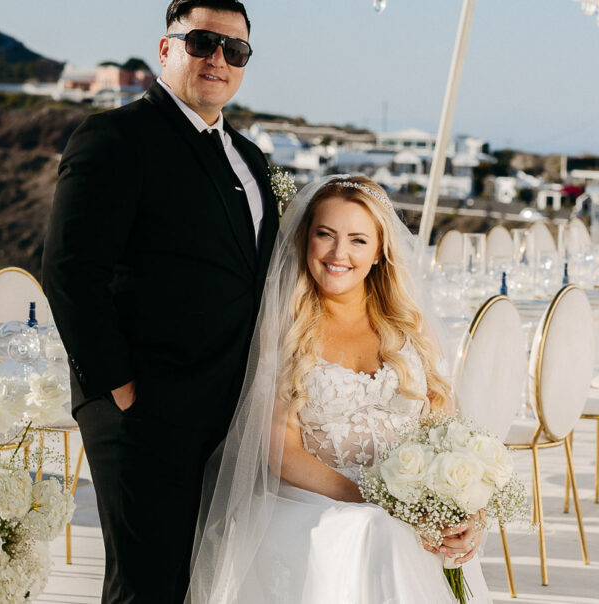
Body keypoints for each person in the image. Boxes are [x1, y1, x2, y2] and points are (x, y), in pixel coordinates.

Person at [41, 1, 278, 602]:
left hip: (230, 407)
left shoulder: (250, 159)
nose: (218, 59)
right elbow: (71, 273)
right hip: (145, 409)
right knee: (146, 585)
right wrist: (120, 390)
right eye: (202, 42)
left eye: (235, 49)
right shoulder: (115, 138)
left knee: (201, 579)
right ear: (167, 49)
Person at [187, 175, 492, 603]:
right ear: (305, 239)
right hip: (310, 503)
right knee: (374, 529)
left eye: (357, 240)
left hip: (400, 507)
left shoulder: (410, 327)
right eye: (325, 235)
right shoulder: (284, 328)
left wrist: (462, 508)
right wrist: (374, 500)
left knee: (392, 530)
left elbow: (447, 436)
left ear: (381, 251)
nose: (338, 254)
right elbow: (279, 448)